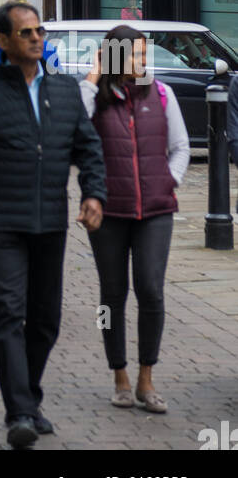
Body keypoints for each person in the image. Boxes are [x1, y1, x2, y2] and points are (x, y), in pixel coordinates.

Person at [0, 0, 107, 450]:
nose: (37, 38)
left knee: (46, 321)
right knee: (9, 313)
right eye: (26, 33)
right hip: (3, 222)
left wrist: (94, 193)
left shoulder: (66, 92)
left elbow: (89, 149)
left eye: (39, 32)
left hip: (51, 221)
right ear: (3, 41)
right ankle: (18, 412)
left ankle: (29, 398)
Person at [81, 25, 190, 414]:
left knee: (151, 290)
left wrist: (167, 181)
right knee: (112, 295)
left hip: (155, 212)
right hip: (108, 212)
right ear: (113, 57)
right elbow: (73, 130)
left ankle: (146, 376)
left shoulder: (162, 94)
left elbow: (180, 148)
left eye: (145, 55)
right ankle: (119, 375)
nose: (143, 62)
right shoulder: (97, 99)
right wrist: (93, 79)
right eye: (134, 55)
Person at [0, 0, 61, 79]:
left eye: (39, 30)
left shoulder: (48, 49)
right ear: (3, 39)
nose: (35, 38)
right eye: (25, 32)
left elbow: (59, 82)